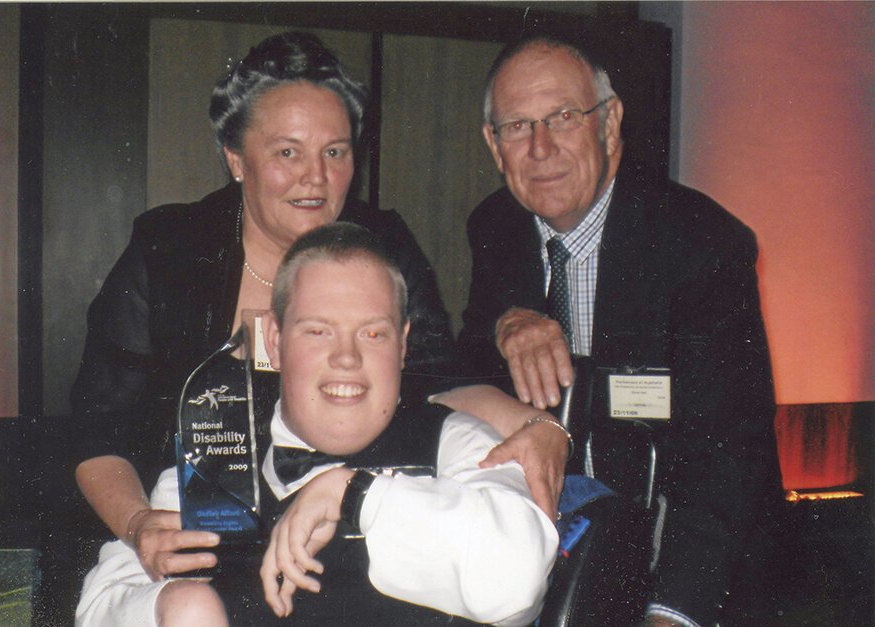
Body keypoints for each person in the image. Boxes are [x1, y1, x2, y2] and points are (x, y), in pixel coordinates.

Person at [65, 30, 454, 621]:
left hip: (338, 547)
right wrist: (141, 524)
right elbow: (96, 432)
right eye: (287, 152)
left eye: (335, 151)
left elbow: (440, 386)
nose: (316, 179)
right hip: (183, 549)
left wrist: (538, 427)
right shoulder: (169, 249)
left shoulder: (383, 248)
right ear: (234, 158)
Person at [77, 222, 557, 626]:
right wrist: (179, 608)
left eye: (372, 333)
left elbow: (517, 586)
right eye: (318, 330)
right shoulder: (218, 450)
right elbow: (101, 602)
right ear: (275, 338)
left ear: (404, 343)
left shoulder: (455, 440)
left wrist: (354, 494)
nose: (346, 358)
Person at [456, 35, 781, 626]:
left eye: (563, 117)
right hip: (552, 554)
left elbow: (728, 456)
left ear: (609, 125)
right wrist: (508, 319)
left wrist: (671, 613)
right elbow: (472, 364)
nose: (541, 147)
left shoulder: (702, 245)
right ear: (493, 145)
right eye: (518, 126)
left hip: (681, 560)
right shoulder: (495, 226)